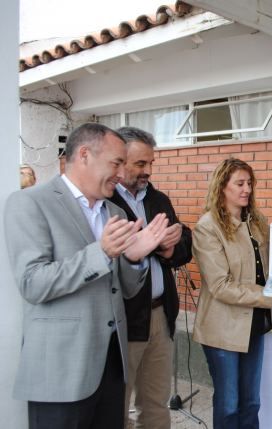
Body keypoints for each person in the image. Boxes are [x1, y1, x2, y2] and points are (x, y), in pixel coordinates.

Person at [4, 122, 170, 429]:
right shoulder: (29, 203)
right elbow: (33, 283)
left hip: (112, 366)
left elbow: (124, 290)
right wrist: (102, 253)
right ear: (84, 155)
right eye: (116, 163)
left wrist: (133, 259)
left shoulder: (115, 213)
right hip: (61, 372)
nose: (121, 174)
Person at [108, 127, 192, 429]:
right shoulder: (105, 202)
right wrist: (147, 243)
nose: (148, 171)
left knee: (156, 404)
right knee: (117, 408)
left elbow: (185, 245)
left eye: (150, 163)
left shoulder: (158, 199)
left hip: (160, 314)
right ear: (120, 162)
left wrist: (170, 248)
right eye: (140, 163)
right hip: (125, 318)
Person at [192, 157, 272, 429]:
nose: (247, 189)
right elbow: (220, 286)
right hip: (223, 328)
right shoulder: (208, 227)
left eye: (249, 183)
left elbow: (270, 268)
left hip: (256, 322)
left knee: (251, 402)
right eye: (240, 183)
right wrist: (270, 296)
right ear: (222, 186)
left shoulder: (257, 222)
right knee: (229, 405)